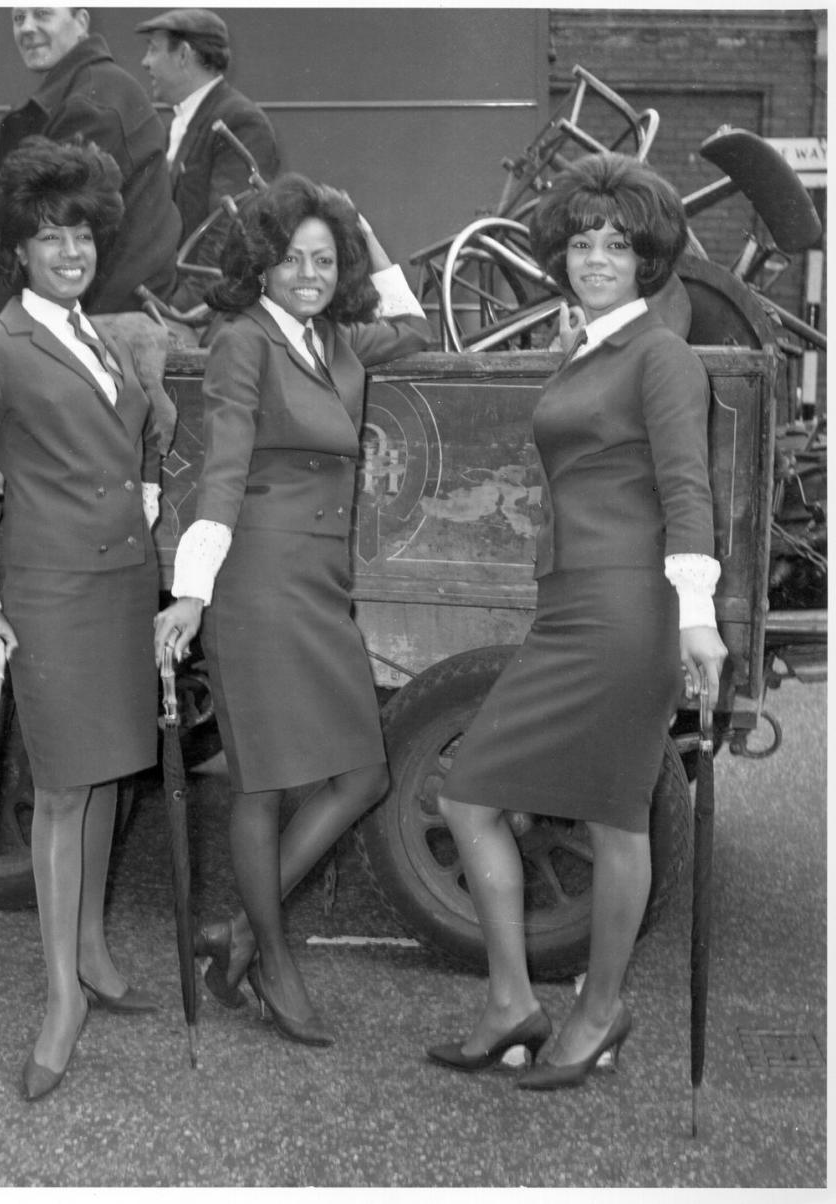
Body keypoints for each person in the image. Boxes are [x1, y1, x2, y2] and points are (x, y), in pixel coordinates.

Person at [425, 152, 728, 1089]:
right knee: (469, 792)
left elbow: (686, 488)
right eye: (584, 242)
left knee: (613, 819)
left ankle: (597, 1011)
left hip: (628, 611)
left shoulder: (662, 355)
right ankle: (512, 1002)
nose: (598, 258)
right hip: (570, 609)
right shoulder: (590, 346)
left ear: (649, 260)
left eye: (619, 245)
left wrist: (697, 619)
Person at [153, 174, 430, 1046]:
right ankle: (272, 961)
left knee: (364, 774)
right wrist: (192, 592)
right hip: (257, 580)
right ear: (259, 267)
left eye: (324, 258)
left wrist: (364, 227)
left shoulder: (337, 339)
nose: (308, 272)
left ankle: (237, 935)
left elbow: (417, 326)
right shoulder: (244, 342)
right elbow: (223, 467)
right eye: (290, 258)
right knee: (263, 781)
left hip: (319, 587)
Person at [0, 136, 164, 1102]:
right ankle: (61, 996)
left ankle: (99, 954)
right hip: (51, 599)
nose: (69, 249)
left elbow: (137, 443)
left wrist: (144, 513)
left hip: (121, 587)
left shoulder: (100, 335)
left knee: (112, 771)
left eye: (80, 231)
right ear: (16, 250)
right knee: (67, 790)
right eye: (48, 235)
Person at [0, 7, 180, 336]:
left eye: (42, 14)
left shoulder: (91, 102)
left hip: (103, 292)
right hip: (90, 270)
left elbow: (46, 208)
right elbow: (21, 176)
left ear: (81, 22)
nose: (27, 28)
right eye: (18, 19)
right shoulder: (89, 86)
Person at [137, 8, 280, 312]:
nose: (145, 62)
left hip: (203, 313)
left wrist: (181, 312)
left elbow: (227, 232)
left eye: (153, 49)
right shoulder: (180, 122)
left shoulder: (240, 121)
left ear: (184, 55)